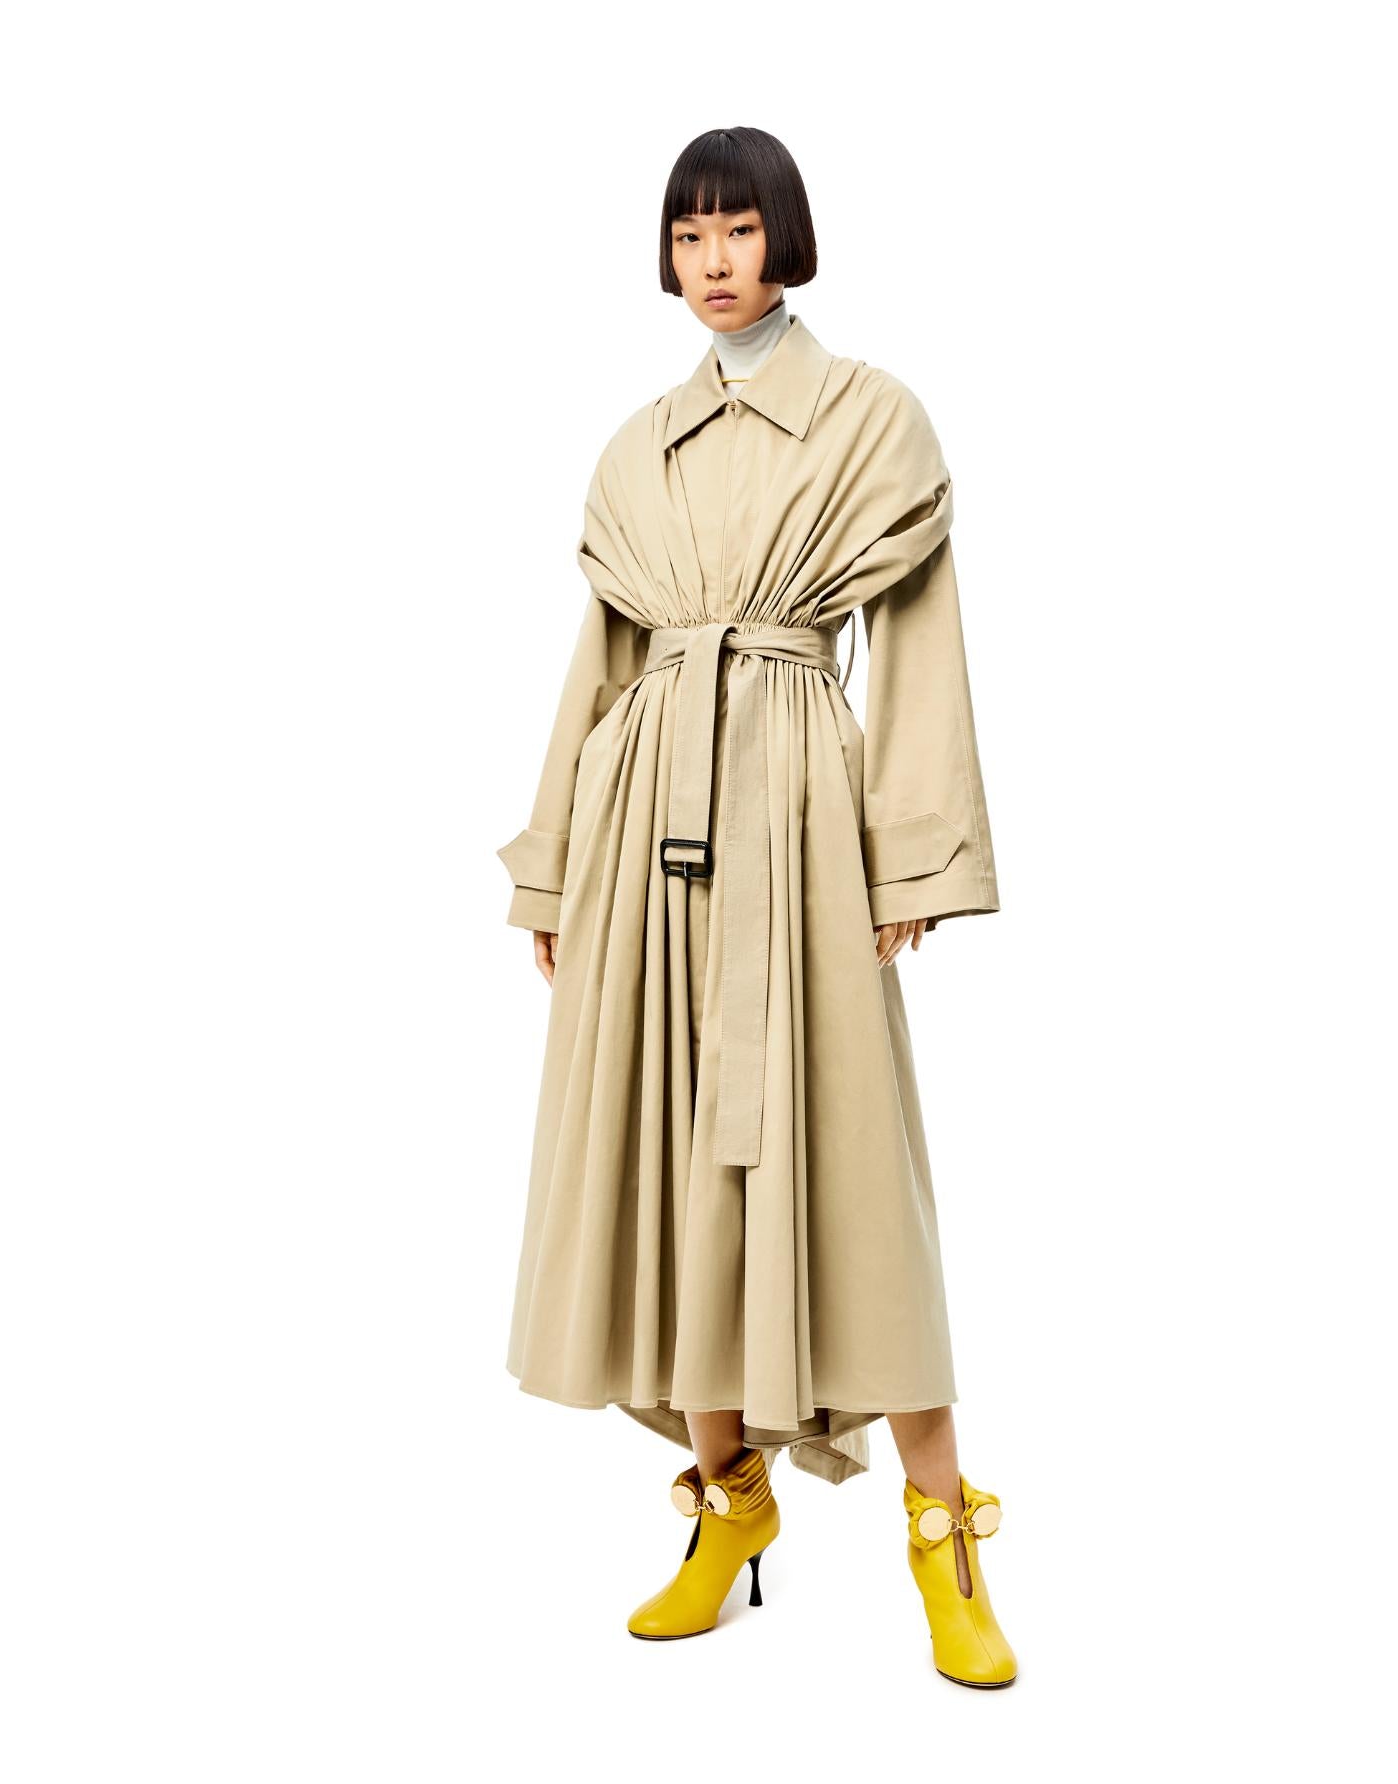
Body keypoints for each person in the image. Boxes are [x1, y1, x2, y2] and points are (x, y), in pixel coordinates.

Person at [496, 126, 1017, 1688]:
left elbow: (919, 647)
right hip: (645, 827)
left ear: (787, 238)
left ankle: (945, 1534)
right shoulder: (637, 446)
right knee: (675, 1171)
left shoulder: (871, 420)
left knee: (852, 1173)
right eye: (689, 234)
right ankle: (727, 1510)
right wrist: (553, 864)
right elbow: (600, 666)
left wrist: (908, 861)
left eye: (738, 230)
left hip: (796, 822)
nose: (714, 260)